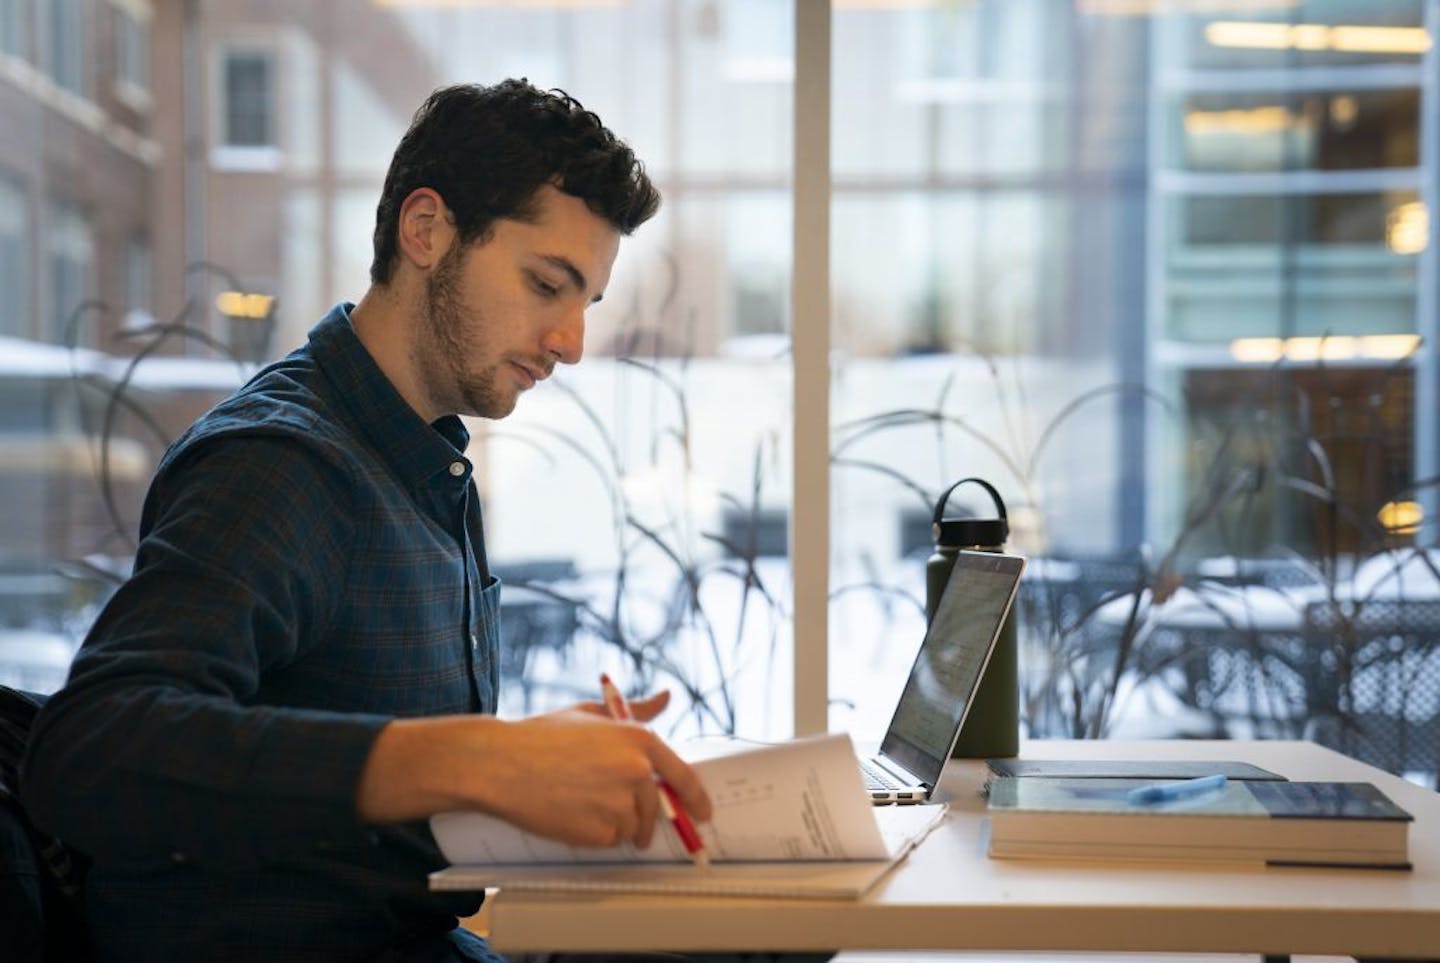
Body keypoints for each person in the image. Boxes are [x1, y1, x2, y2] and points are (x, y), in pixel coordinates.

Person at [21, 79, 712, 963]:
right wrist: (474, 762)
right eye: (548, 284)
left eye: (587, 303)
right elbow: (93, 747)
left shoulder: (422, 461)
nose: (572, 339)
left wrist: (530, 767)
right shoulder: (283, 464)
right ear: (425, 231)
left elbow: (366, 769)